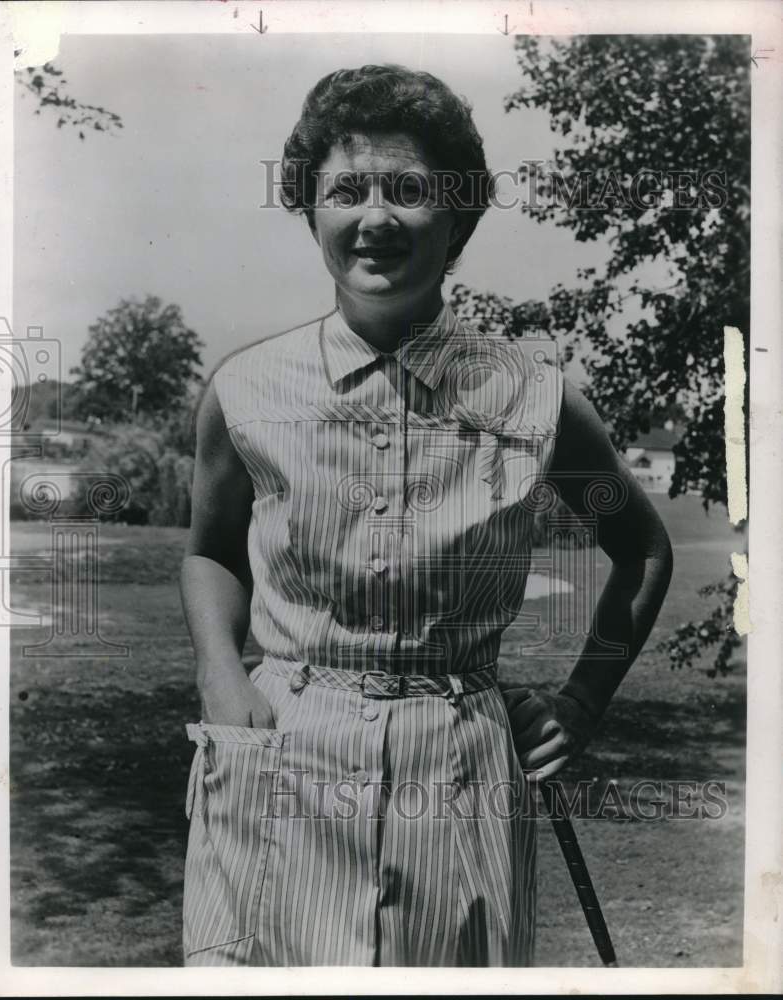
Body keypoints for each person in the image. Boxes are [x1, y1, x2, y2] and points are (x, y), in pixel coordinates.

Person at [179, 64, 673, 967]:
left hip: (462, 770)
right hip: (277, 754)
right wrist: (221, 672)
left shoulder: (535, 398)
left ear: (457, 217)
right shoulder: (244, 390)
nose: (375, 217)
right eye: (346, 190)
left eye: (408, 191)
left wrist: (583, 702)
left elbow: (639, 549)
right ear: (310, 209)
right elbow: (211, 552)